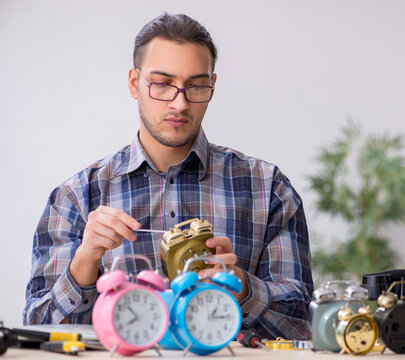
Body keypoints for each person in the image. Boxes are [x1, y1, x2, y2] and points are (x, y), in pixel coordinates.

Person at [23, 13, 313, 340]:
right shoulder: (76, 197)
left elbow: (302, 324)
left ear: (212, 86)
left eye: (196, 85)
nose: (180, 102)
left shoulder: (269, 188)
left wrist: (241, 286)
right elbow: (37, 332)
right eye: (162, 84)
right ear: (135, 83)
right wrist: (85, 262)